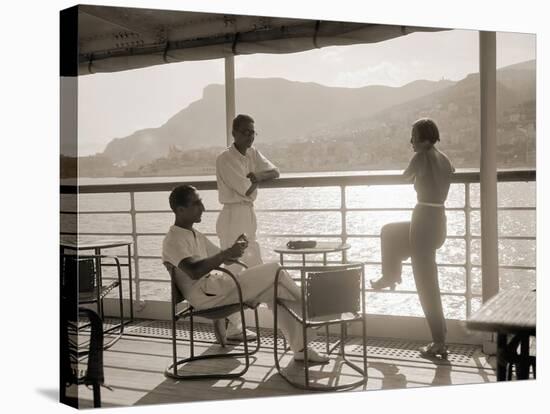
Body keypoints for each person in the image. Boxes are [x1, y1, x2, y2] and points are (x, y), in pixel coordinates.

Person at [162, 184, 329, 363]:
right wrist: (226, 254)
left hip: (217, 289)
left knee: (277, 290)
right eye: (196, 203)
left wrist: (234, 249)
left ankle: (301, 349)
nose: (202, 208)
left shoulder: (195, 234)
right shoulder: (173, 240)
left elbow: (223, 259)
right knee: (275, 270)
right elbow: (194, 271)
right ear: (180, 210)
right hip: (208, 297)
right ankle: (315, 309)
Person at [370, 118, 455, 358]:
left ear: (426, 138)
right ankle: (391, 274)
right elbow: (449, 174)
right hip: (438, 220)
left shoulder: (421, 157)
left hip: (423, 220)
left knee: (426, 283)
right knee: (390, 232)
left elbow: (404, 177)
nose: (411, 141)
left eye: (414, 136)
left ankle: (439, 341)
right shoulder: (445, 159)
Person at [215, 114, 280, 340]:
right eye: (245, 132)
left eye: (253, 132)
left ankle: (271, 319)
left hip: (247, 216)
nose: (250, 136)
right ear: (234, 133)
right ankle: (233, 325)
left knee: (254, 266)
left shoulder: (252, 153)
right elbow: (246, 189)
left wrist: (259, 176)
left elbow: (275, 172)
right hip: (233, 216)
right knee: (234, 270)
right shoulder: (226, 159)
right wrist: (256, 181)